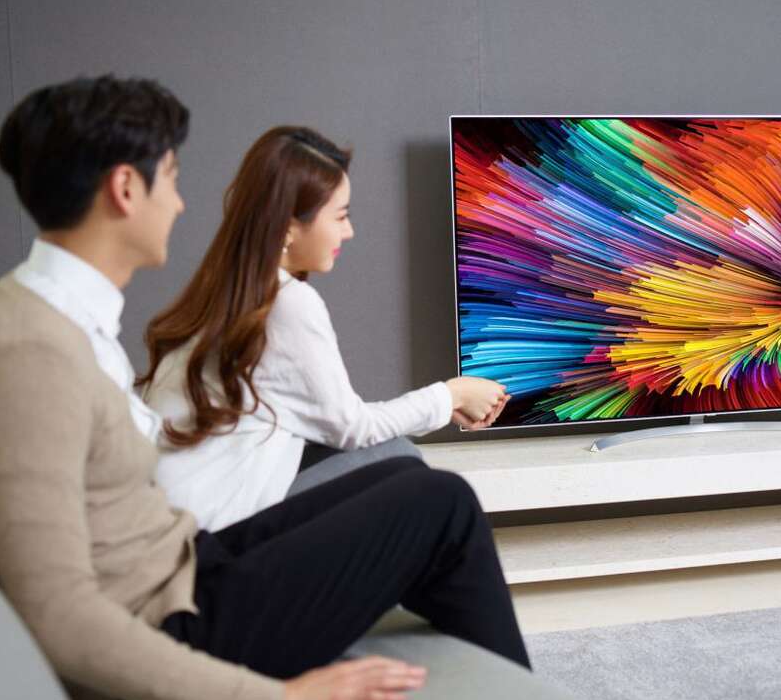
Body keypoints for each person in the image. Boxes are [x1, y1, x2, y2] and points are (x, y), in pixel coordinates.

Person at [0, 75, 529, 700]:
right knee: (440, 505)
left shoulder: (64, 323)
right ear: (126, 190)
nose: (183, 203)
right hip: (168, 631)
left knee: (407, 480)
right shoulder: (28, 357)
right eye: (172, 177)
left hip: (186, 569)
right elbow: (60, 613)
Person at [138, 126, 509, 531]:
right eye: (341, 216)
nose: (348, 232)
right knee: (410, 476)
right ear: (288, 226)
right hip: (212, 537)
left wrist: (446, 403)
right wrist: (450, 393)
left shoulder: (223, 289)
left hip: (172, 519)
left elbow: (332, 419)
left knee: (396, 458)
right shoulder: (286, 303)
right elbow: (353, 428)